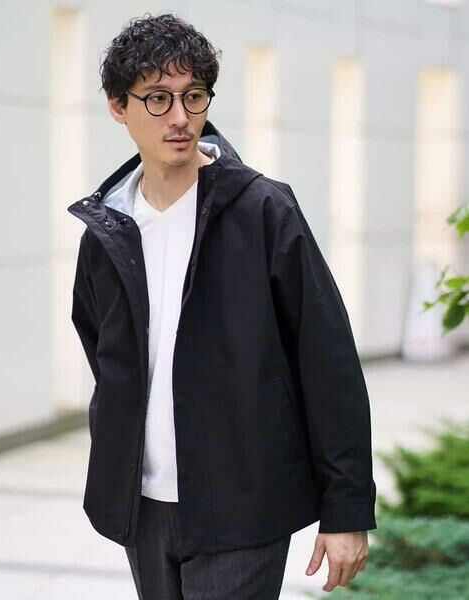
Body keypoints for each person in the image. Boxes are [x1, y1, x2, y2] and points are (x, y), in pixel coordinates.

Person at [67, 12, 377, 600]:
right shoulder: (107, 231)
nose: (180, 117)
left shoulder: (264, 211)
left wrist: (347, 509)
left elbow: (328, 361)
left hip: (243, 500)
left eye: (194, 96)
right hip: (143, 503)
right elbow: (103, 350)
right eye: (157, 98)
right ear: (117, 107)